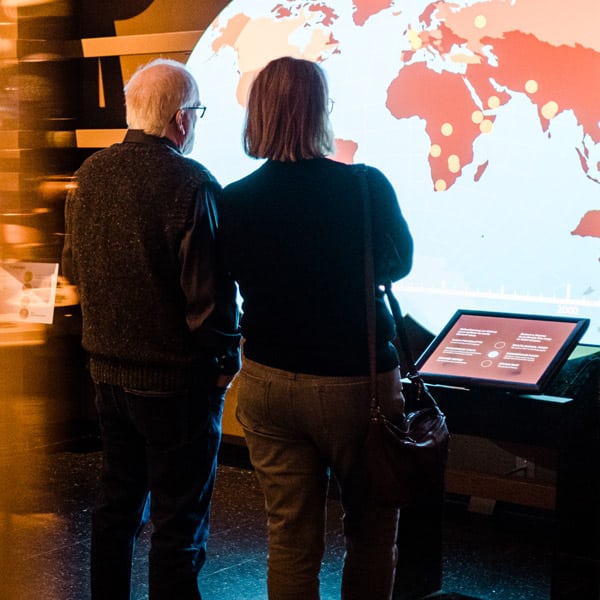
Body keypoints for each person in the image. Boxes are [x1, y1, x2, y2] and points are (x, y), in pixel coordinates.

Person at [217, 56, 414, 600]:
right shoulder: (365, 185)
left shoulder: (233, 199)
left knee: (290, 540)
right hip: (358, 386)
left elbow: (229, 275)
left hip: (267, 382)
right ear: (320, 113)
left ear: (257, 115)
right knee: (372, 537)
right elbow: (398, 264)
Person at [62, 58, 241, 600]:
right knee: (177, 524)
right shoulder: (192, 183)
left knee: (115, 510)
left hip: (107, 379)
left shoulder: (88, 175)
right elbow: (208, 300)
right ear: (182, 120)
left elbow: (72, 269)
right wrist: (223, 363)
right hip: (177, 388)